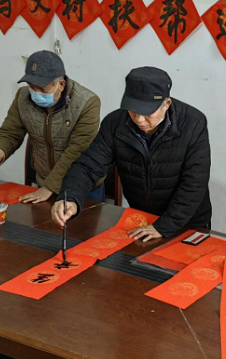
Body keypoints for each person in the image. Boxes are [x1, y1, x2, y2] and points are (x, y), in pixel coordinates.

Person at [51, 66, 211, 242]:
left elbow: (194, 184)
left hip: (187, 221)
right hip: (143, 219)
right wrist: (70, 197)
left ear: (166, 104)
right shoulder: (115, 123)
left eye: (147, 112)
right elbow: (89, 166)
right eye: (133, 110)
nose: (139, 119)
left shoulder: (193, 124)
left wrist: (164, 226)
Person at [0, 50, 104, 203]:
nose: (35, 93)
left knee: (84, 220)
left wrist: (49, 187)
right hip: (43, 182)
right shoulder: (22, 97)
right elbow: (11, 131)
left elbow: (77, 151)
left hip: (81, 186)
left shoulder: (87, 103)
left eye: (42, 88)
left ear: (61, 85)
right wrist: (0, 149)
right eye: (32, 86)